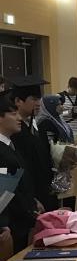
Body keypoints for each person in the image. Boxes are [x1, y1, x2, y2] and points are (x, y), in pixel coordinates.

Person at [9, 75, 57, 213]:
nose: (38, 103)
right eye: (34, 99)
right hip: (30, 196)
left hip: (45, 189)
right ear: (18, 101)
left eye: (39, 99)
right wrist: (31, 198)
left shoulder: (36, 125)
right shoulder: (13, 131)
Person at [0, 93, 40, 251]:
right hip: (12, 224)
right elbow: (3, 191)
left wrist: (33, 201)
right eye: (13, 114)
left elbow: (20, 181)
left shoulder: (10, 145)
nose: (18, 118)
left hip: (23, 219)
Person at [58, 76, 77, 142]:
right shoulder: (60, 97)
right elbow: (57, 115)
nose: (76, 92)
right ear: (69, 86)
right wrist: (69, 112)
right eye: (74, 90)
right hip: (65, 130)